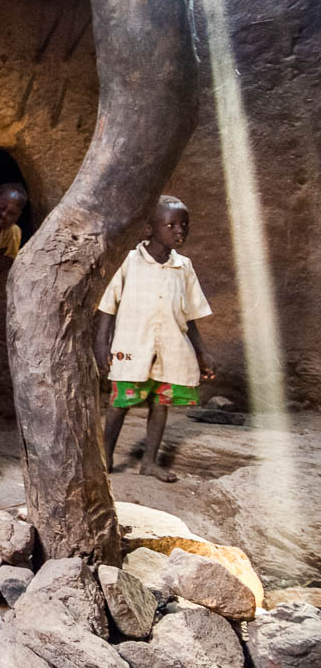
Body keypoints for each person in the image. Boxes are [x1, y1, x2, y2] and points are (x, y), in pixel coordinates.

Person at [95, 196, 216, 482]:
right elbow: (107, 305)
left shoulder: (183, 266)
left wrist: (202, 352)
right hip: (132, 346)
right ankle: (105, 458)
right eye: (171, 225)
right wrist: (101, 343)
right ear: (150, 229)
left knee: (160, 404)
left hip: (170, 347)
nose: (179, 231)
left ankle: (149, 461)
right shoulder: (130, 261)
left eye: (184, 225)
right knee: (120, 402)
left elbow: (190, 314)